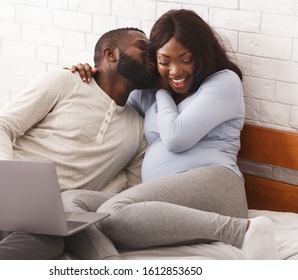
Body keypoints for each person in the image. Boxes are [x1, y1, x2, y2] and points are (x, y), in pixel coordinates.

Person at [65, 9, 279, 260]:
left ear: (202, 54)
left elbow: (177, 138)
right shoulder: (147, 92)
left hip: (217, 186)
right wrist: (91, 74)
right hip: (162, 196)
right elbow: (112, 99)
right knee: (69, 204)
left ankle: (243, 232)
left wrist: (162, 92)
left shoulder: (224, 82)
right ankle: (109, 265)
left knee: (114, 213)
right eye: (164, 62)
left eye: (186, 59)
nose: (175, 71)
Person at [0, 27, 158, 260]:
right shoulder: (66, 81)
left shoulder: (138, 131)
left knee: (49, 244)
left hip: (38, 215)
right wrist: (4, 177)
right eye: (142, 47)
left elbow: (127, 195)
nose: (152, 54)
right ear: (111, 54)